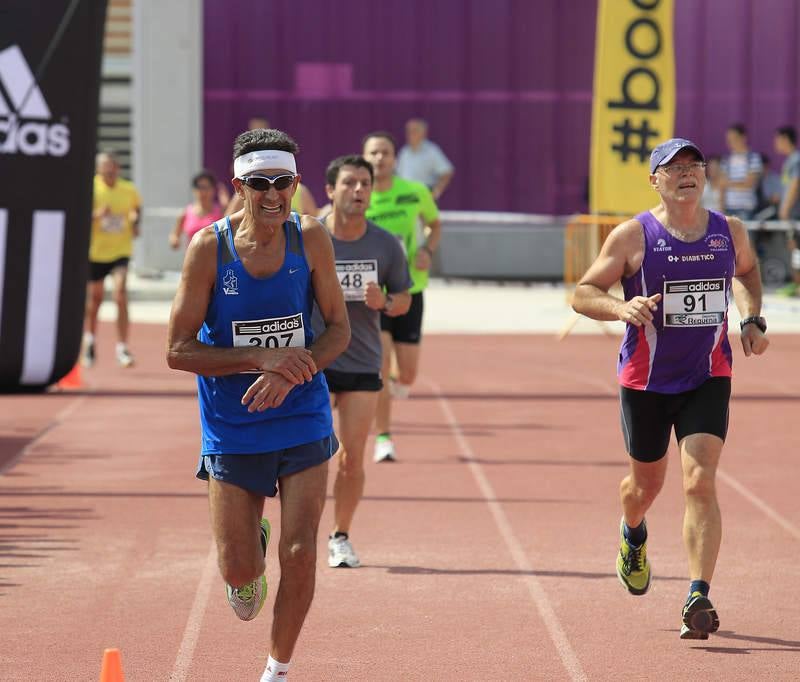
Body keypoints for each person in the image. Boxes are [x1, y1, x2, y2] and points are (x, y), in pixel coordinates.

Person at [166, 128, 350, 681]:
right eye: (259, 183)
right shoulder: (209, 248)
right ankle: (249, 547)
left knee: (300, 553)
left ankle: (277, 670)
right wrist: (260, 361)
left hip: (302, 414)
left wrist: (300, 366)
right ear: (238, 186)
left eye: (283, 182)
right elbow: (178, 349)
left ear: (296, 184)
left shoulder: (310, 237)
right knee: (240, 574)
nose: (273, 195)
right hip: (234, 422)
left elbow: (338, 329)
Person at [572, 138, 769, 640]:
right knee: (645, 489)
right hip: (647, 381)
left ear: (705, 175)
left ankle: (697, 593)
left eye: (694, 165)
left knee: (700, 480)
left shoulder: (730, 232)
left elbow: (746, 272)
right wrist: (621, 308)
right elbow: (583, 292)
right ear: (654, 179)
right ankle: (632, 532)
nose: (686, 173)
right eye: (673, 167)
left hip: (708, 375)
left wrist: (752, 318)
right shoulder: (633, 236)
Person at [312, 155, 412, 568]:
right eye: (350, 183)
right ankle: (291, 530)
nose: (359, 191)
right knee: (306, 457)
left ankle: (340, 536)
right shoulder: (305, 236)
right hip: (312, 360)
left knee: (351, 458)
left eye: (365, 184)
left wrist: (384, 301)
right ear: (330, 190)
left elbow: (405, 300)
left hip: (361, 361)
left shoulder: (386, 243)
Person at [362, 131, 441, 463]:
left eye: (386, 153)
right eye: (374, 153)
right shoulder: (358, 196)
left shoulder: (414, 192)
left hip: (410, 289)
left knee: (407, 375)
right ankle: (384, 437)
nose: (380, 159)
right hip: (373, 294)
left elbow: (434, 225)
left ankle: (394, 382)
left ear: (396, 159)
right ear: (365, 158)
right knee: (379, 367)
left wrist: (426, 248)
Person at [82, 152, 141, 368]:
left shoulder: (128, 189)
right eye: (105, 168)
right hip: (96, 253)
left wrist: (135, 222)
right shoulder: (91, 188)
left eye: (113, 167)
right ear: (98, 169)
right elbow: (78, 218)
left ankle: (122, 347)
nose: (109, 171)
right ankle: (89, 340)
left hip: (120, 251)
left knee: (120, 293)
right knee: (95, 299)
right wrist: (97, 215)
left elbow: (136, 209)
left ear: (118, 168)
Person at [396, 118, 454, 201]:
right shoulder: (404, 152)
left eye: (414, 131)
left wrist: (436, 192)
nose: (410, 134)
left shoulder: (431, 151)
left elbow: (447, 172)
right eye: (408, 131)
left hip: (424, 194)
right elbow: (398, 175)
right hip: (405, 195)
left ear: (423, 133)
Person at [773, 125, 800, 296]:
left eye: (777, 139)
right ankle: (796, 282)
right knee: (794, 248)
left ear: (784, 139)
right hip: (792, 213)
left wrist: (785, 208)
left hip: (794, 214)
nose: (775, 143)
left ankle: (797, 283)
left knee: (796, 248)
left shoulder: (795, 159)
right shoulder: (791, 160)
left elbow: (795, 183)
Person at [169, 170, 224, 250]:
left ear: (213, 189)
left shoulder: (221, 212)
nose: (203, 192)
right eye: (199, 187)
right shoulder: (186, 213)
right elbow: (174, 235)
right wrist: (174, 241)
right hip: (192, 260)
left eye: (206, 187)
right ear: (194, 190)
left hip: (215, 260)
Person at [719, 123, 763, 219]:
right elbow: (721, 186)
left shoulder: (753, 158)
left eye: (734, 139)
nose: (731, 143)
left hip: (746, 208)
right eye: (729, 140)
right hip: (729, 207)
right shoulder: (726, 160)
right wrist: (721, 208)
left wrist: (728, 183)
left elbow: (749, 184)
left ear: (743, 138)